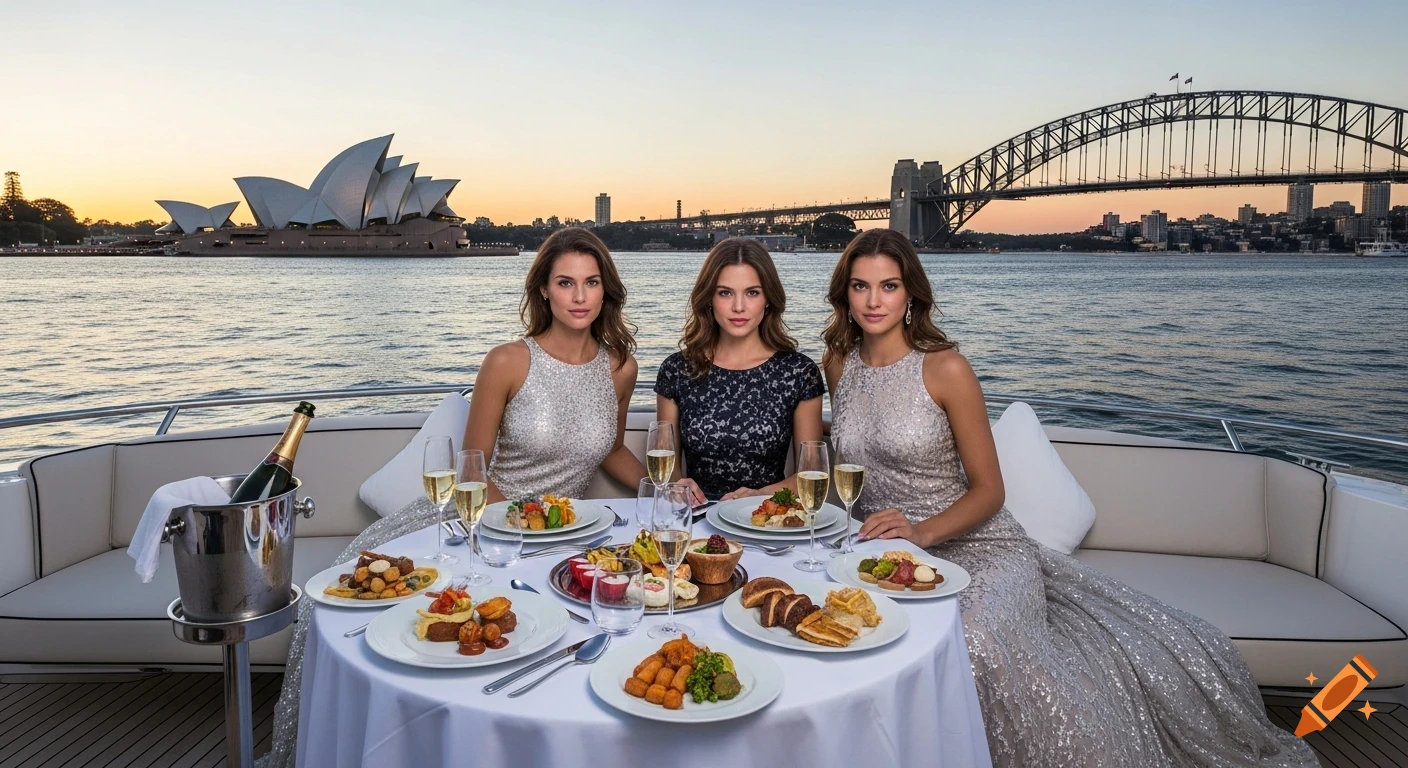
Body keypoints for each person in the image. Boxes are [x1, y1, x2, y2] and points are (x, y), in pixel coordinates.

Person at [825, 229, 1315, 767]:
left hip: (977, 546)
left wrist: (921, 533)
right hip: (882, 553)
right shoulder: (838, 366)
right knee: (859, 641)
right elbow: (849, 466)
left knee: (974, 642)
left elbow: (990, 491)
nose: (874, 301)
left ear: (911, 294)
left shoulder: (945, 368)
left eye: (889, 286)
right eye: (860, 286)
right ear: (844, 294)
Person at [463, 226, 652, 502]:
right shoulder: (506, 362)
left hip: (565, 531)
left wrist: (662, 491)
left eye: (592, 282)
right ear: (544, 289)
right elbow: (471, 472)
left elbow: (612, 450)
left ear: (604, 291)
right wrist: (520, 529)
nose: (579, 297)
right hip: (493, 524)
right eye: (565, 283)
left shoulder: (621, 369)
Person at [655, 237, 825, 501]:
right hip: (696, 520)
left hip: (767, 522)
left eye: (752, 293)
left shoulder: (799, 372)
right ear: (709, 298)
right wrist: (679, 487)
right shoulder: (677, 370)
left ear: (768, 298)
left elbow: (810, 472)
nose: (738, 307)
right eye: (725, 293)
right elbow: (668, 469)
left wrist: (761, 496)